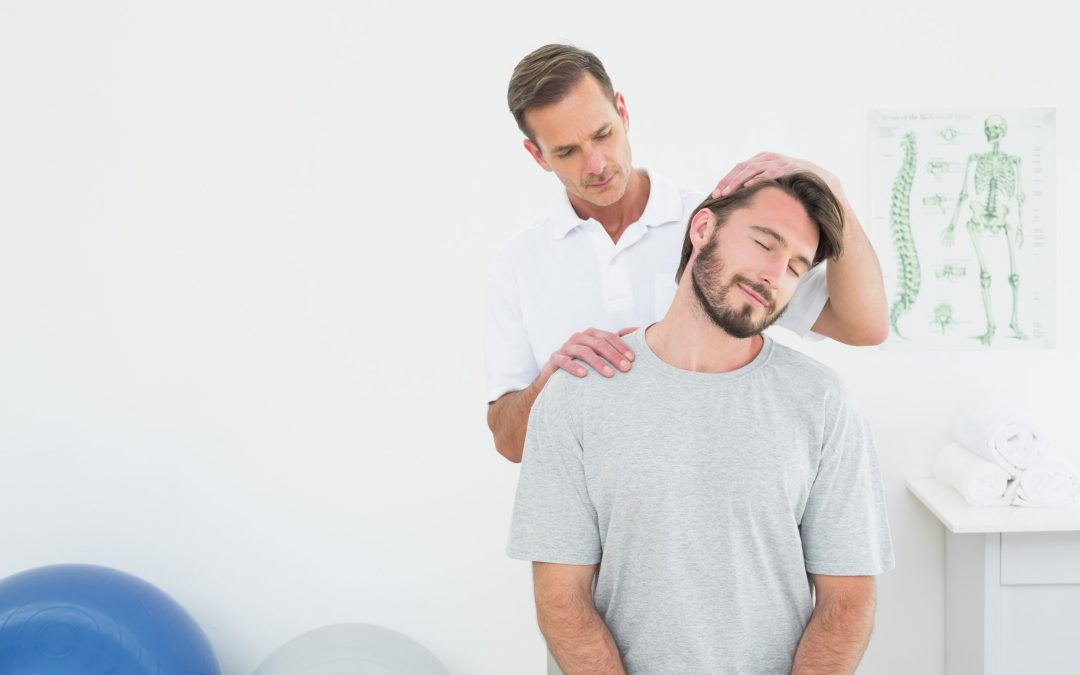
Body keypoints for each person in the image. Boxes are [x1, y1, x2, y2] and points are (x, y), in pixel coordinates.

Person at [507, 172, 895, 674]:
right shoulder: (578, 392)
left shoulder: (822, 402)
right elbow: (562, 599)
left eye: (796, 267)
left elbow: (848, 600)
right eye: (764, 244)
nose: (774, 274)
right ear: (703, 228)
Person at [485, 44, 889, 463]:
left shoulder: (716, 228)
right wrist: (551, 384)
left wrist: (835, 193)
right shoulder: (518, 265)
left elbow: (866, 327)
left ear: (622, 112)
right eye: (567, 151)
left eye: (603, 134)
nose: (597, 164)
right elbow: (509, 443)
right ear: (537, 155)